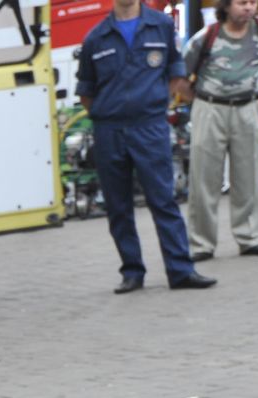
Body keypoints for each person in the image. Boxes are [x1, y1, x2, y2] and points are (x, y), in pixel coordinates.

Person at [75, 0, 216, 293]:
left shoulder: (162, 26)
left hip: (149, 126)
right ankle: (132, 272)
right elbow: (86, 92)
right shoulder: (95, 37)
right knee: (118, 205)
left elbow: (176, 75)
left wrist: (150, 104)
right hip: (109, 130)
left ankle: (180, 271)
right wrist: (111, 111)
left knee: (163, 199)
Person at [181, 0, 258, 260]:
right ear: (226, 6)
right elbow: (180, 77)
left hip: (250, 108)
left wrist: (253, 87)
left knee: (249, 174)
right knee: (203, 178)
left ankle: (249, 237)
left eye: (253, 2)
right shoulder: (206, 37)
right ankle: (201, 244)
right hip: (210, 108)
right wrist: (200, 100)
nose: (248, 8)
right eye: (241, 3)